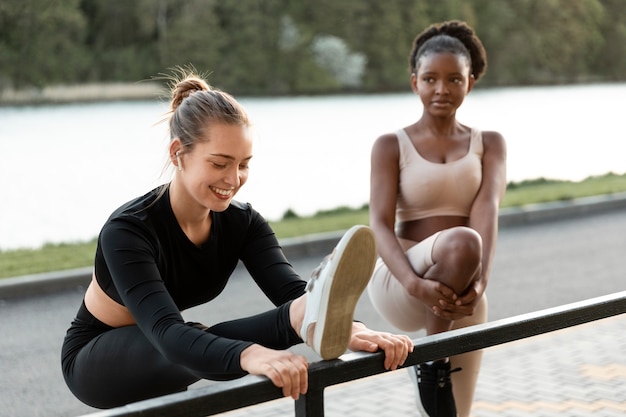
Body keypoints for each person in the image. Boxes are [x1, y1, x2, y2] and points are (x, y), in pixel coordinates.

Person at [61, 69, 413, 409]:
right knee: (193, 338)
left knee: (225, 332)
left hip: (173, 349)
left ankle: (304, 318)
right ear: (177, 154)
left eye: (244, 164)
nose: (233, 178)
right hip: (96, 361)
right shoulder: (128, 230)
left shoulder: (243, 223)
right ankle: (297, 319)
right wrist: (251, 353)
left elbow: (291, 293)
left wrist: (354, 329)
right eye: (219, 164)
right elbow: (166, 332)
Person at [367, 21, 507, 417]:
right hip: (401, 279)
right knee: (463, 241)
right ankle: (432, 360)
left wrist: (480, 282)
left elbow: (488, 209)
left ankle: (436, 365)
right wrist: (413, 282)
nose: (441, 89)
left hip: (463, 288)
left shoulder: (490, 143)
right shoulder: (391, 145)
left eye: (453, 79)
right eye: (430, 79)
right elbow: (378, 222)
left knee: (453, 412)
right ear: (415, 83)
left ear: (470, 82)